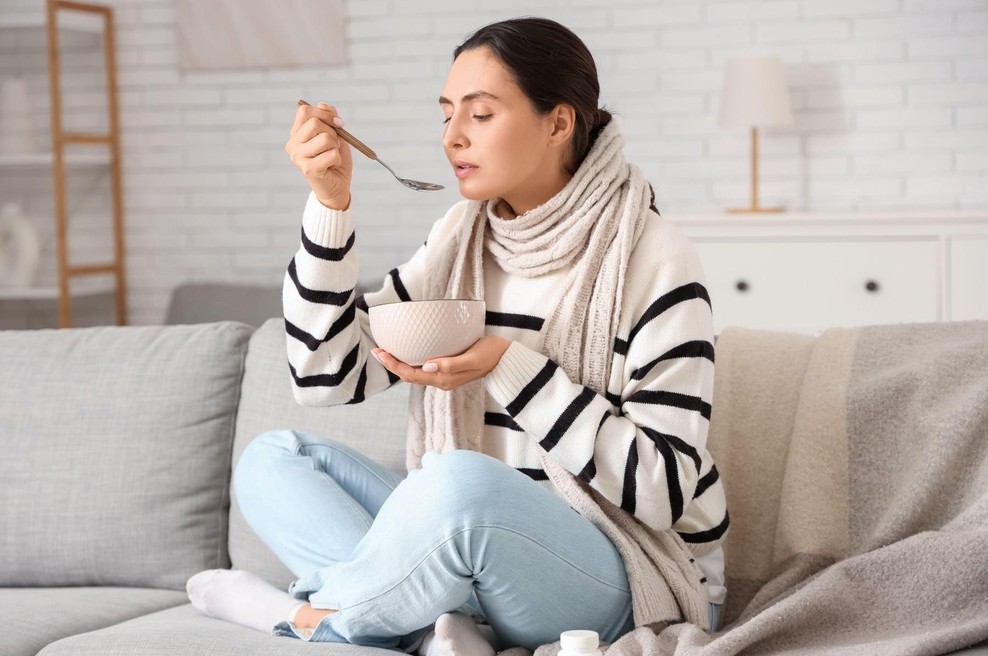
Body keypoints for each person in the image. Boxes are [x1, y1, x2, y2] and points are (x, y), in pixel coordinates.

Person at [185, 16, 729, 654]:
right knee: (272, 459)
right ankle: (440, 623)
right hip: (479, 551)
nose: (452, 138)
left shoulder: (653, 257)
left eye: (480, 114)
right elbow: (325, 374)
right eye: (447, 114)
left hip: (627, 568)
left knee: (455, 486)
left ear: (558, 122)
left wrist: (507, 366)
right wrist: (330, 206)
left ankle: (307, 619)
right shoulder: (461, 239)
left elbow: (662, 492)